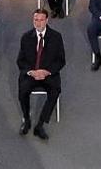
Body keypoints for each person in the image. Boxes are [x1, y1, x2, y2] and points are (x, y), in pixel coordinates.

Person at [18, 7, 66, 139]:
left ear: (47, 21)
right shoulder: (26, 37)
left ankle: (40, 125)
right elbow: (20, 61)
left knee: (55, 90)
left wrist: (47, 72)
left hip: (48, 74)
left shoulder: (56, 37)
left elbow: (61, 61)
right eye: (35, 20)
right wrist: (31, 72)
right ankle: (26, 119)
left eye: (41, 20)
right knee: (23, 90)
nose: (38, 23)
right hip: (32, 74)